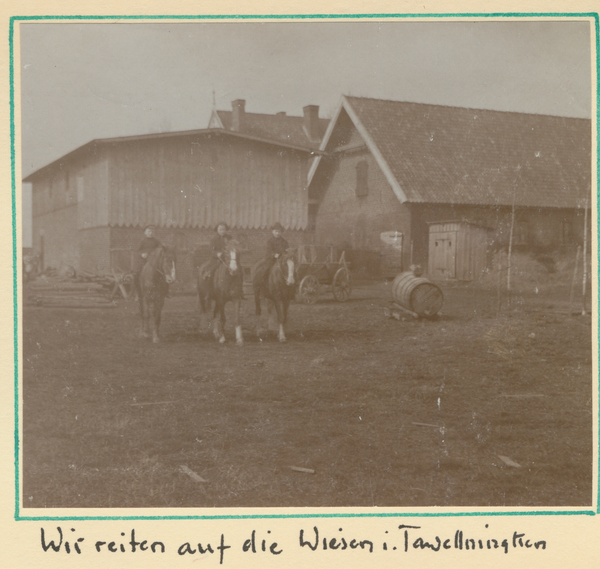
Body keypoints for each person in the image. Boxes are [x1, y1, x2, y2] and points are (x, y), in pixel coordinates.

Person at [254, 222, 289, 290]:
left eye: (279, 231)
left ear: (281, 232)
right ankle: (263, 286)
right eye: (276, 231)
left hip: (282, 260)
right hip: (272, 259)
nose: (277, 233)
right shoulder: (270, 241)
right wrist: (274, 255)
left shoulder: (284, 242)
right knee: (266, 269)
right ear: (273, 232)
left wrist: (285, 255)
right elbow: (268, 251)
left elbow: (286, 250)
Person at [133, 224, 164, 297]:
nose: (151, 233)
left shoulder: (156, 241)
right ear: (145, 232)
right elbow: (136, 251)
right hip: (144, 261)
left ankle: (165, 291)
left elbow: (162, 249)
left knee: (164, 274)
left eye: (152, 231)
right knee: (137, 273)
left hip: (155, 262)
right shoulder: (142, 241)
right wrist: (141, 254)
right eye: (149, 231)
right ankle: (138, 292)